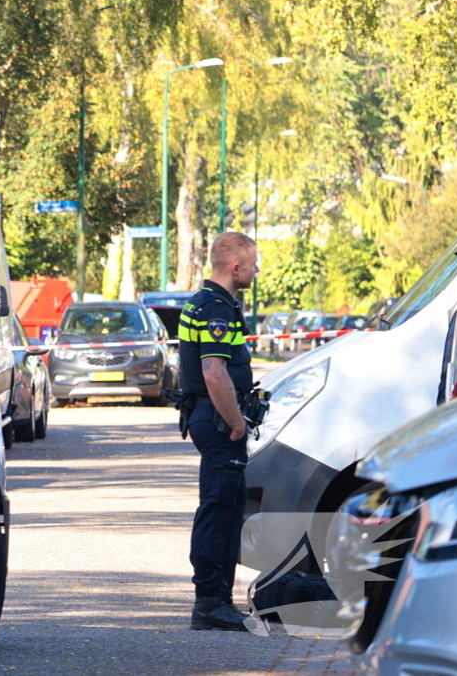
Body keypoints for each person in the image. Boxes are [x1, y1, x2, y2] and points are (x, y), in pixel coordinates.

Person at [176, 231, 259, 631]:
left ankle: (218, 600)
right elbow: (214, 373)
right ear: (235, 266)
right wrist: (237, 423)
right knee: (217, 510)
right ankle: (209, 601)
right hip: (217, 421)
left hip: (210, 418)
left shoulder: (211, 303)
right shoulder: (216, 309)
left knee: (227, 510)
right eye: (254, 263)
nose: (257, 270)